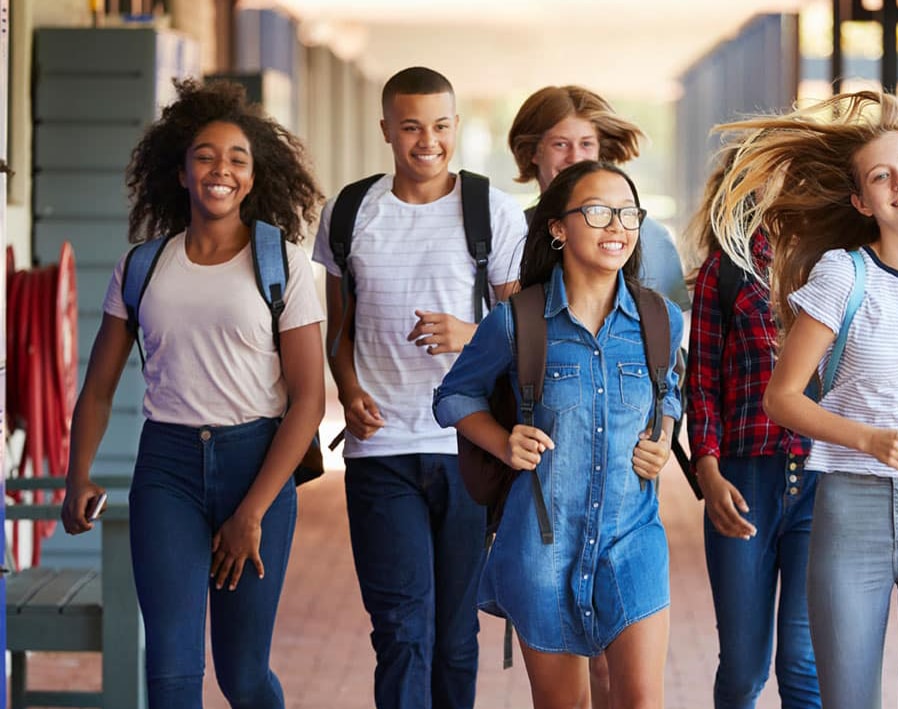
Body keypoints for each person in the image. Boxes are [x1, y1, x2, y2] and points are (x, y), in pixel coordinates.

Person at [710, 90, 898, 708]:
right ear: (862, 200)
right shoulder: (844, 275)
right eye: (881, 176)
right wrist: (868, 439)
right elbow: (782, 398)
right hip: (853, 513)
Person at [59, 78, 325, 707]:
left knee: (242, 675)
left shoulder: (280, 263)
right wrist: (78, 475)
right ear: (180, 173)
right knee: (172, 674)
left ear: (254, 179)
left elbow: (309, 398)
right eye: (205, 156)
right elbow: (97, 390)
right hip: (167, 471)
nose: (221, 170)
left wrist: (251, 512)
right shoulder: (142, 267)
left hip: (256, 465)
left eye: (237, 159)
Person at [311, 67, 527, 709]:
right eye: (410, 127)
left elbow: (521, 337)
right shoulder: (350, 212)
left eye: (438, 126)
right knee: (402, 631)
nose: (426, 141)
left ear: (455, 128)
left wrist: (470, 332)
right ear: (386, 130)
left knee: (456, 638)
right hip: (380, 453)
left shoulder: (491, 209)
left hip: (467, 448)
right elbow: (338, 332)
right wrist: (347, 391)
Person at [434, 160, 684, 709]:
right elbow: (453, 396)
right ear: (558, 228)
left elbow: (671, 393)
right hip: (541, 547)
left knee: (641, 701)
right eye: (597, 211)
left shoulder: (661, 320)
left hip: (633, 537)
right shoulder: (516, 321)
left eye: (627, 213)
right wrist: (503, 442)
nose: (616, 225)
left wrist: (663, 436)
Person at [682, 149, 820, 709]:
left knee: (803, 663)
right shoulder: (725, 270)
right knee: (742, 669)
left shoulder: (832, 262)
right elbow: (702, 383)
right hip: (743, 482)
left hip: (821, 479)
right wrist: (708, 472)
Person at [509, 85, 690, 310]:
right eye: (560, 144)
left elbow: (670, 330)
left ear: (599, 151)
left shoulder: (650, 237)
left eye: (586, 144)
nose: (575, 157)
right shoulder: (508, 231)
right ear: (533, 152)